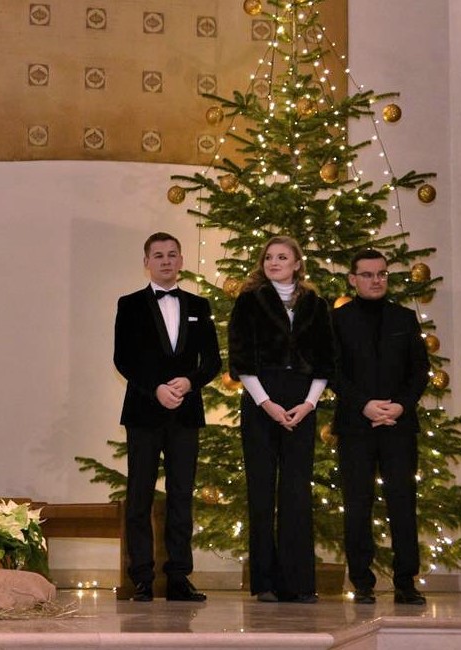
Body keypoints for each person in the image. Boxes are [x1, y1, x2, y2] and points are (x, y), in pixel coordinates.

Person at [113, 232, 221, 603]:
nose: (165, 261)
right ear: (146, 262)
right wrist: (156, 388)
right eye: (158, 255)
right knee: (139, 495)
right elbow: (123, 359)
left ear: (181, 261)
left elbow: (212, 361)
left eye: (172, 254)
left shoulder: (199, 305)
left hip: (185, 414)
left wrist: (189, 382)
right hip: (144, 412)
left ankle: (178, 577)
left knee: (181, 495)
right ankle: (142, 578)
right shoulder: (129, 304)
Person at [227, 235, 333, 603]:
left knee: (296, 493)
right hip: (262, 402)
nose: (274, 262)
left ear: (297, 264)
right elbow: (241, 359)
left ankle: (298, 583)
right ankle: (265, 583)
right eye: (269, 257)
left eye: (282, 257)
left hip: (302, 403)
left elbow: (326, 361)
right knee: (261, 491)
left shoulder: (316, 305)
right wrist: (266, 404)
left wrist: (308, 404)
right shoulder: (249, 301)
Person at [331, 249, 430, 606]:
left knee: (402, 503)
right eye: (368, 274)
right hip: (356, 425)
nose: (376, 280)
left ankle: (406, 583)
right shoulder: (337, 319)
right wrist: (365, 405)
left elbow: (420, 370)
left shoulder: (404, 317)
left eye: (382, 274)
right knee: (357, 504)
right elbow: (333, 371)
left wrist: (400, 406)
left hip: (398, 425)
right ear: (352, 279)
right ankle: (362, 582)